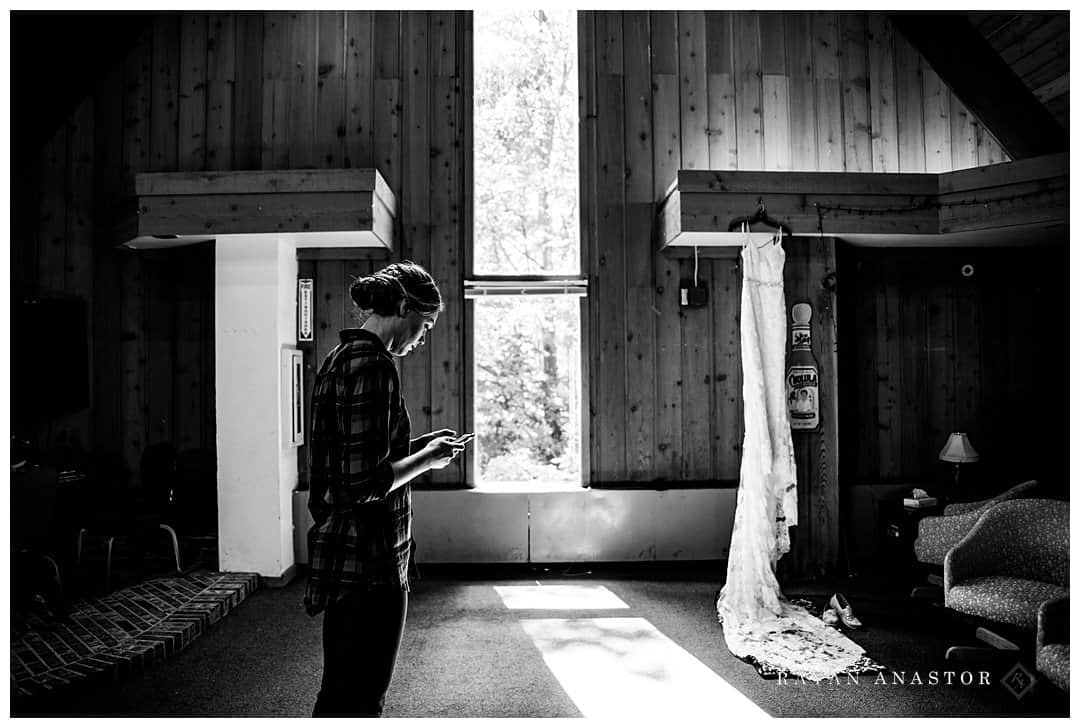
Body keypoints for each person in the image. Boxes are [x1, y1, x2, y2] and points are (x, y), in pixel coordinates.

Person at [305, 261, 465, 717]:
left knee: (339, 690)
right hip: (370, 561)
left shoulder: (341, 357)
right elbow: (364, 483)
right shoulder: (376, 365)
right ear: (402, 307)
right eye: (426, 324)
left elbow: (355, 458)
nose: (422, 337)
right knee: (360, 697)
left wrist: (420, 448)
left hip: (345, 553)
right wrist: (428, 460)